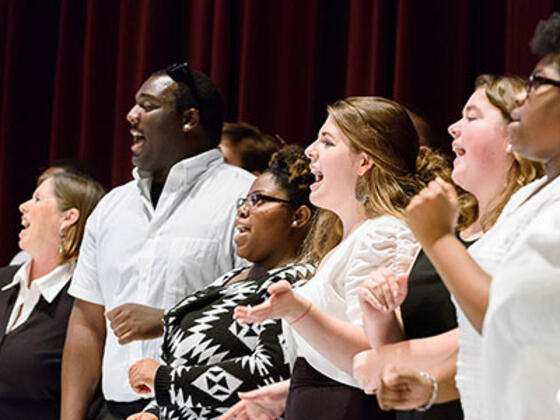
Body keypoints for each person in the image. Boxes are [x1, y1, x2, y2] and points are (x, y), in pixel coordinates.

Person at [226, 97, 449, 420]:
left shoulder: (383, 235)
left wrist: (298, 310)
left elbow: (377, 359)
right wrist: (287, 393)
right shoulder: (351, 238)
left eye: (327, 141)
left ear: (364, 163)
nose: (309, 151)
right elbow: (337, 361)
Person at [61, 63, 255, 420]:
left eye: (148, 106)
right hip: (114, 408)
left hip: (205, 408)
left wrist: (170, 320)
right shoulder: (111, 207)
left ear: (188, 119)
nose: (131, 115)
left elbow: (259, 315)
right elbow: (87, 322)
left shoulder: (243, 196)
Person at [352, 74, 543, 419]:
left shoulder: (531, 222)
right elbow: (398, 348)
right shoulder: (449, 227)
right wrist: (378, 313)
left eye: (471, 117)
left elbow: (506, 326)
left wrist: (391, 358)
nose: (453, 128)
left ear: (514, 135)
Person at [402, 12, 560, 420]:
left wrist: (438, 240)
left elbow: (509, 320)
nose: (522, 99)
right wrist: (436, 385)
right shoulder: (532, 195)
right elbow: (505, 351)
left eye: (539, 83)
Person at [125, 146, 316, 420]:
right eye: (243, 201)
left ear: (298, 216)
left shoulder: (298, 281)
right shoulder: (230, 279)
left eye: (258, 200)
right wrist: (155, 411)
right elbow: (188, 363)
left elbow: (272, 372)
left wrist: (165, 380)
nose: (242, 211)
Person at [0, 171, 104, 419]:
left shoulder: (84, 302)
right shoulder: (4, 279)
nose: (23, 206)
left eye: (37, 199)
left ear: (68, 218)